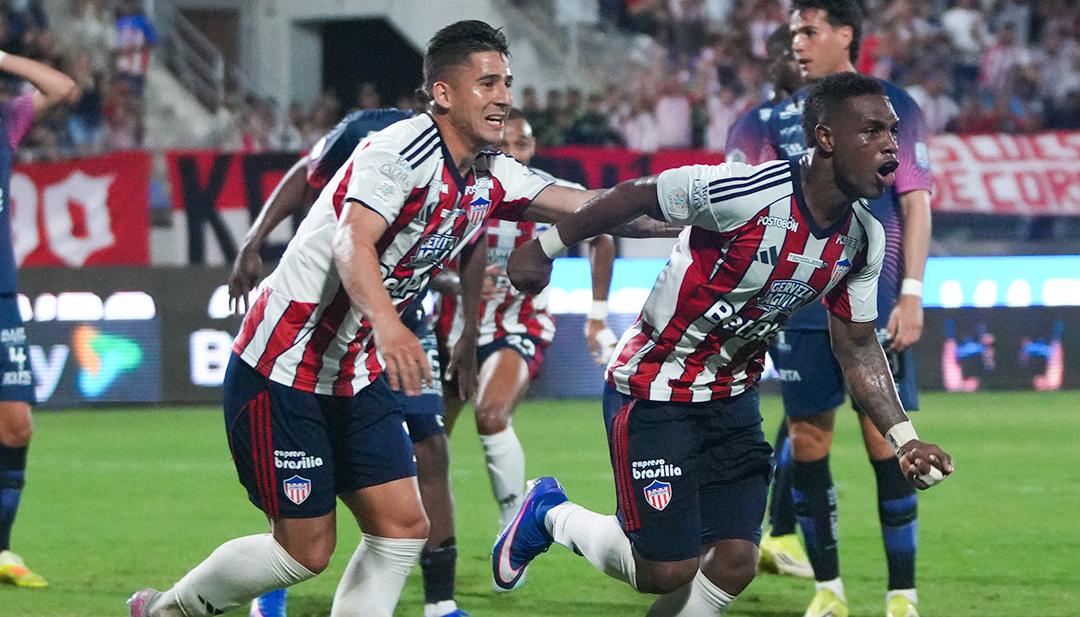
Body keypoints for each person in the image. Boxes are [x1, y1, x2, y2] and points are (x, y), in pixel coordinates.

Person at [128, 20, 666, 617]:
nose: (503, 97)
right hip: (283, 364)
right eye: (487, 83)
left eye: (507, 83)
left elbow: (595, 208)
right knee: (304, 551)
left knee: (403, 527)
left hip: (353, 374)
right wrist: (388, 325)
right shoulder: (398, 152)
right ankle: (166, 611)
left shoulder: (492, 172)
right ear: (444, 94)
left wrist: (690, 208)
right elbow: (351, 242)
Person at [494, 72, 953, 617]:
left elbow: (856, 346)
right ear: (826, 138)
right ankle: (549, 513)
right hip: (656, 386)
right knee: (664, 570)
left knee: (735, 562)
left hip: (733, 399)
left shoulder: (863, 237)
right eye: (873, 131)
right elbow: (638, 194)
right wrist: (546, 246)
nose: (891, 146)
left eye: (894, 132)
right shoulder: (748, 191)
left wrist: (904, 439)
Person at [227, 105, 471, 617]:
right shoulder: (371, 130)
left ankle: (440, 601)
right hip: (332, 316)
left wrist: (466, 326)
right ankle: (273, 577)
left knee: (430, 444)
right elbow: (305, 172)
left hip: (402, 317)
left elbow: (473, 239)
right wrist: (254, 239)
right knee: (303, 489)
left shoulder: (470, 161)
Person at [764, 2, 935, 615]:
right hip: (800, 303)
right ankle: (828, 592)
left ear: (844, 34)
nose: (798, 43)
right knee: (808, 444)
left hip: (873, 298)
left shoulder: (892, 106)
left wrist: (911, 292)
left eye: (809, 31)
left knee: (888, 445)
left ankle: (901, 596)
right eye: (793, 33)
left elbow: (914, 201)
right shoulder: (781, 117)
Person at [439, 107, 616, 573]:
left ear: (532, 147)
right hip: (452, 331)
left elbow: (602, 235)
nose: (514, 152)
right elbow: (423, 261)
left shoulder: (547, 193)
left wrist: (597, 316)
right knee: (429, 444)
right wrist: (457, 284)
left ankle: (512, 527)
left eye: (522, 143)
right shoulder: (461, 191)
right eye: (505, 145)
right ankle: (428, 544)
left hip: (519, 327)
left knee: (492, 415)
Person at [723, 23, 814, 581]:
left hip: (812, 279)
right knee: (784, 412)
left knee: (805, 413)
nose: (797, 60)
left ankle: (775, 532)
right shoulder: (756, 123)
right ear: (772, 62)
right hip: (767, 285)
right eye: (788, 52)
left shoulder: (826, 116)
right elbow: (735, 198)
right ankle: (764, 532)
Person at [0, 49, 77, 590]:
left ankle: (2, 551)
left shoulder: (5, 118)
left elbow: (63, 89)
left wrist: (3, 57)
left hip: (1, 295)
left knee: (16, 425)